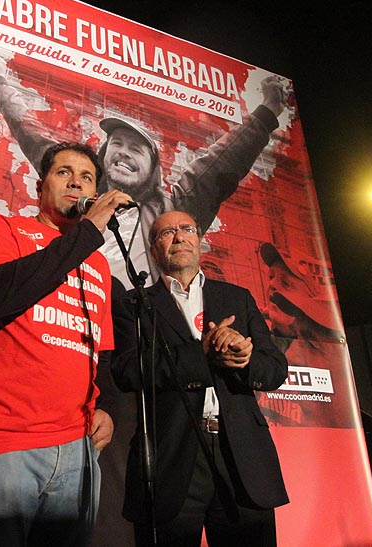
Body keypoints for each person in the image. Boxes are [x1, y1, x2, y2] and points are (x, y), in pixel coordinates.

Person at [0, 141, 134, 546]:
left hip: (77, 447)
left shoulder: (98, 264)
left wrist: (105, 407)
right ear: (40, 185)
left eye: (87, 178)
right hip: (3, 438)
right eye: (64, 172)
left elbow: (99, 351)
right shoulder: (3, 229)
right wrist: (85, 235)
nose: (76, 183)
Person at [0, 53, 288, 286]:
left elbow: (223, 162)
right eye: (117, 144)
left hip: (137, 334)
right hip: (73, 323)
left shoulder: (172, 207)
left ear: (153, 167)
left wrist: (267, 111)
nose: (124, 154)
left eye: (137, 148)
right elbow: (31, 133)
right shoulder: (77, 193)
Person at [111, 210, 289, 547]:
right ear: (153, 248)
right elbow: (127, 371)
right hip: (171, 458)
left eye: (186, 229)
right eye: (166, 233)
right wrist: (200, 354)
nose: (178, 237)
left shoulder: (237, 298)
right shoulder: (134, 305)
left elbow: (275, 369)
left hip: (241, 457)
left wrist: (243, 359)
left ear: (200, 240)